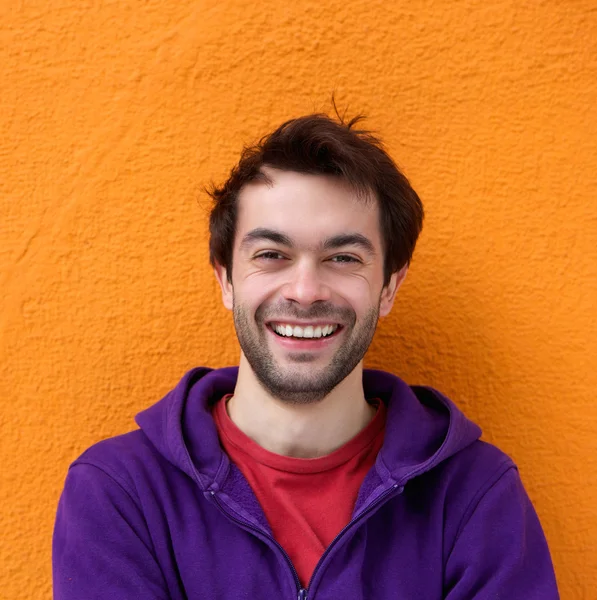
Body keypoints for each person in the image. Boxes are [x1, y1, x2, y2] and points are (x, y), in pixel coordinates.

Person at [52, 112, 559, 599]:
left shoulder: (474, 495)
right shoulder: (120, 492)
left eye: (343, 258)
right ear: (225, 278)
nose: (305, 290)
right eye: (271, 255)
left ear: (389, 287)